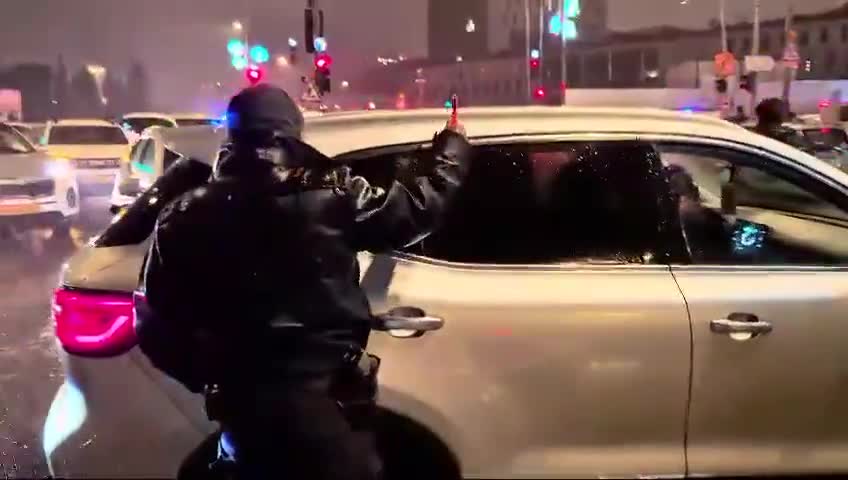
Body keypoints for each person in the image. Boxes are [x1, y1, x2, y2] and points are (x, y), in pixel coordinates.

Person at [135, 84, 471, 480]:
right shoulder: (330, 191)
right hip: (325, 409)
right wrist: (451, 152)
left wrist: (215, 380)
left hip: (242, 421)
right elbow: (410, 212)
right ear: (290, 132)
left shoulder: (182, 214)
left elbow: (154, 324)